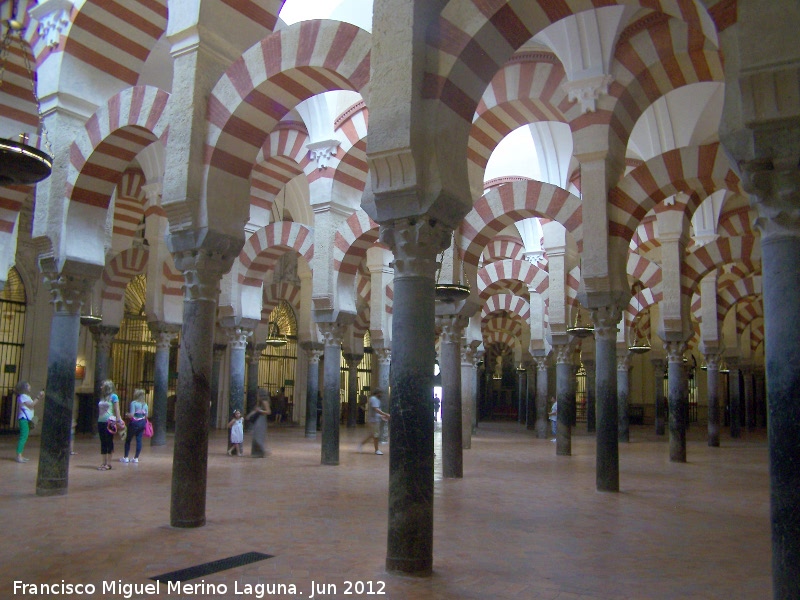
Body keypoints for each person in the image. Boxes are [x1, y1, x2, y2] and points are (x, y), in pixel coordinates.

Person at [97, 379, 124, 470]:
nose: (101, 387)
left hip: (109, 422)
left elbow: (117, 409)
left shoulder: (114, 397)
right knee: (103, 441)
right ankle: (103, 462)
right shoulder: (102, 397)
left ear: (107, 387)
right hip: (100, 421)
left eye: (103, 386)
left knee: (109, 441)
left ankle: (108, 463)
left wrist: (119, 420)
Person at [15, 381, 42, 463]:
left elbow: (32, 405)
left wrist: (39, 397)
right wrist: (38, 396)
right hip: (23, 419)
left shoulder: (26, 396)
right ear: (24, 388)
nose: (30, 386)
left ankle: (20, 455)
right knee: (23, 437)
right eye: (28, 385)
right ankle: (19, 456)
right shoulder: (23, 396)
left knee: (24, 437)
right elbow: (31, 405)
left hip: (27, 419)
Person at [358, 389, 390, 455]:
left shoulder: (376, 399)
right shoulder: (374, 399)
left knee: (373, 435)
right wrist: (384, 414)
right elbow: (376, 409)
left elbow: (376, 411)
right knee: (375, 435)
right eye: (380, 393)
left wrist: (381, 416)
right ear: (377, 393)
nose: (381, 395)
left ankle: (361, 444)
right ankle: (376, 450)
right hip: (373, 421)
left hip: (374, 420)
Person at [121, 388, 148, 463]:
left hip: (134, 423)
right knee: (139, 440)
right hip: (142, 423)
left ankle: (126, 457)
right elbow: (146, 416)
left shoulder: (134, 403)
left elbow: (132, 415)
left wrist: (127, 414)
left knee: (128, 440)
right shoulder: (145, 404)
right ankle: (136, 458)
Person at [248, 388, 272, 457]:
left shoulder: (265, 401)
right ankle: (256, 452)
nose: (256, 395)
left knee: (259, 436)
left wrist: (260, 411)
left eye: (258, 394)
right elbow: (255, 410)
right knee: (256, 435)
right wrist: (249, 415)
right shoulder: (259, 402)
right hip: (258, 419)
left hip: (262, 419)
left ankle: (262, 451)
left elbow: (268, 412)